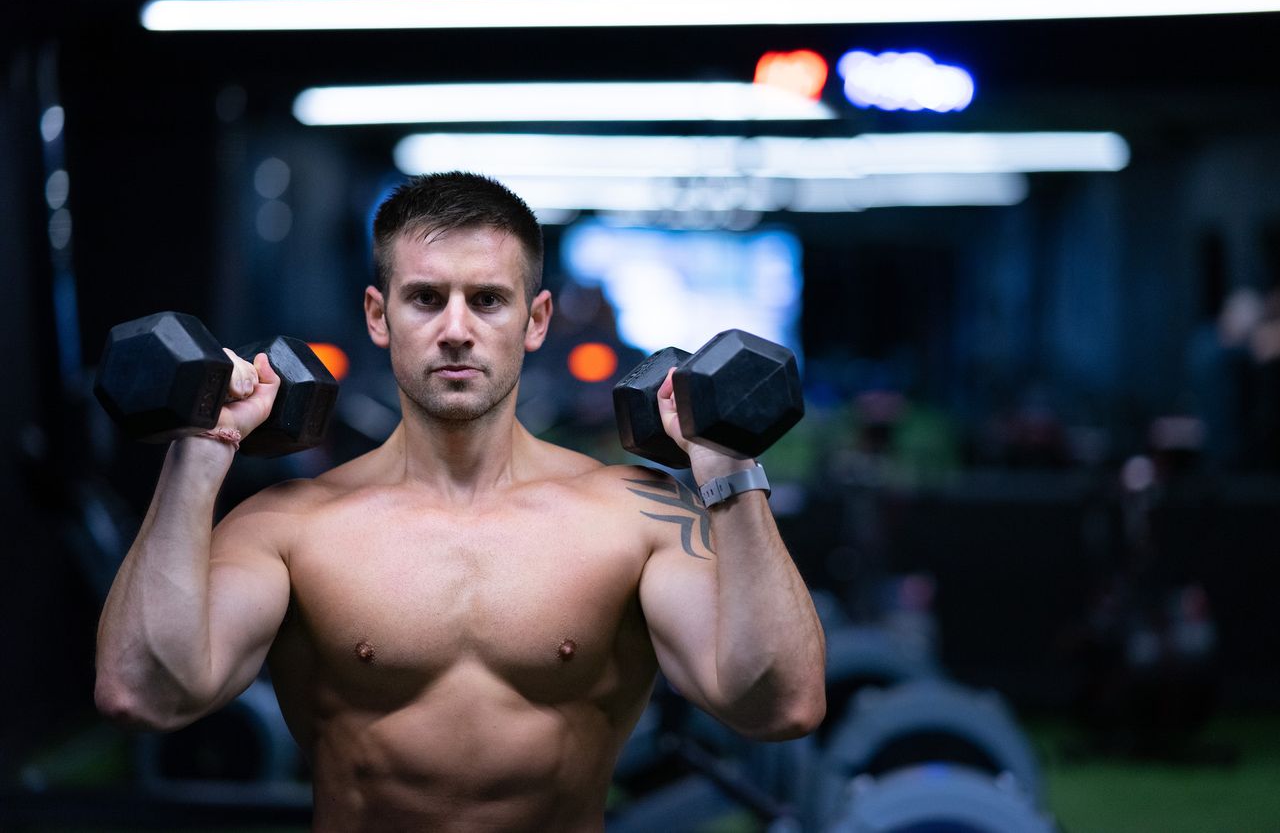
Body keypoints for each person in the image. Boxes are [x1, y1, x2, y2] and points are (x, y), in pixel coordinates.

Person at [94, 171, 827, 832]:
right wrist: (203, 447)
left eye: (486, 300)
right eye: (425, 298)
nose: (455, 330)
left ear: (535, 320)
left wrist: (728, 466)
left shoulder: (631, 517)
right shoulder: (292, 526)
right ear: (378, 315)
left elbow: (780, 703)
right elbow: (143, 693)